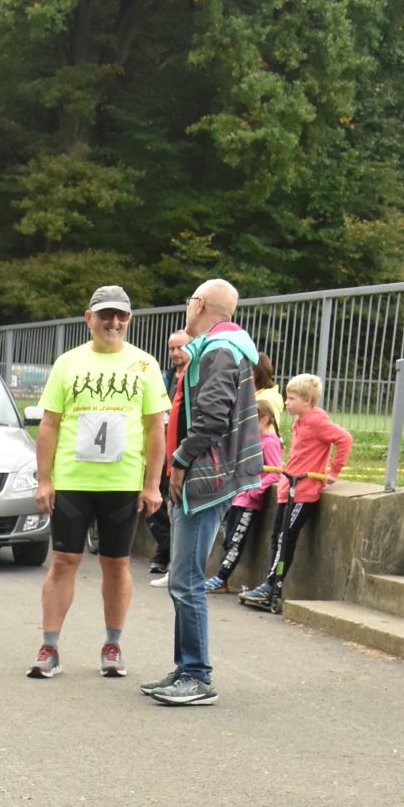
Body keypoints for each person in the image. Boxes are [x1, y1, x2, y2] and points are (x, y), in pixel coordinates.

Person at [25, 285, 167, 681]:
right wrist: (44, 480)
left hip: (121, 483)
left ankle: (112, 645)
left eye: (121, 315)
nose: (113, 322)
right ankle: (49, 647)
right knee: (62, 561)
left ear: (129, 319)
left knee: (116, 564)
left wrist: (152, 484)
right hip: (73, 481)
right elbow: (49, 424)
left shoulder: (145, 364)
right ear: (89, 318)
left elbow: (155, 429)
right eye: (105, 314)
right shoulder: (68, 363)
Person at [141, 277, 264, 708]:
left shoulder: (219, 350)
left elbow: (211, 417)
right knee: (182, 579)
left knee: (187, 580)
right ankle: (185, 670)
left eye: (189, 301)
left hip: (205, 479)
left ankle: (196, 676)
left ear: (199, 304)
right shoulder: (222, 346)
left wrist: (178, 462)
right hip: (207, 476)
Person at [239, 373, 352, 613]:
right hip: (287, 488)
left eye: (291, 399)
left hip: (303, 492)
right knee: (277, 538)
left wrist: (334, 471)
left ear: (307, 401)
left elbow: (344, 439)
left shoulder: (317, 421)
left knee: (285, 538)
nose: (286, 403)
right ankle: (270, 584)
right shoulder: (300, 421)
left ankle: (272, 585)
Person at [206, 385, 284, 592]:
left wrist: (255, 489)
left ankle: (221, 576)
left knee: (236, 541)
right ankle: (222, 580)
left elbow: (275, 472)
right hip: (238, 497)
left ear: (265, 419)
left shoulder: (270, 443)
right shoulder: (256, 441)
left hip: (249, 501)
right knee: (228, 539)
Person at [148, 330, 190, 581]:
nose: (175, 353)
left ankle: (168, 557)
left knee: (175, 505)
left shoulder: (195, 376)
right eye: (171, 348)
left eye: (179, 347)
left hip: (184, 453)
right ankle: (166, 550)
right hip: (164, 449)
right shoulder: (166, 376)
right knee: (153, 501)